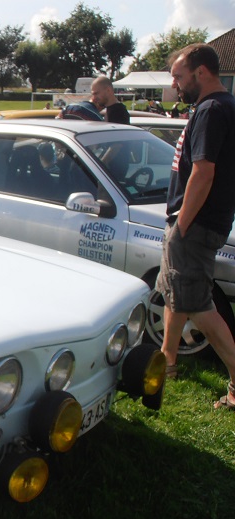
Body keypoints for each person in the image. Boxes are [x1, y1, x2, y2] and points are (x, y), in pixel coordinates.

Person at [155, 43, 235, 411]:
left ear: (201, 72)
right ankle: (167, 361)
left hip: (196, 224)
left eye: (178, 76)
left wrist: (182, 224)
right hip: (198, 222)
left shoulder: (212, 110)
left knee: (200, 308)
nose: (174, 84)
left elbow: (203, 173)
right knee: (176, 291)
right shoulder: (220, 106)